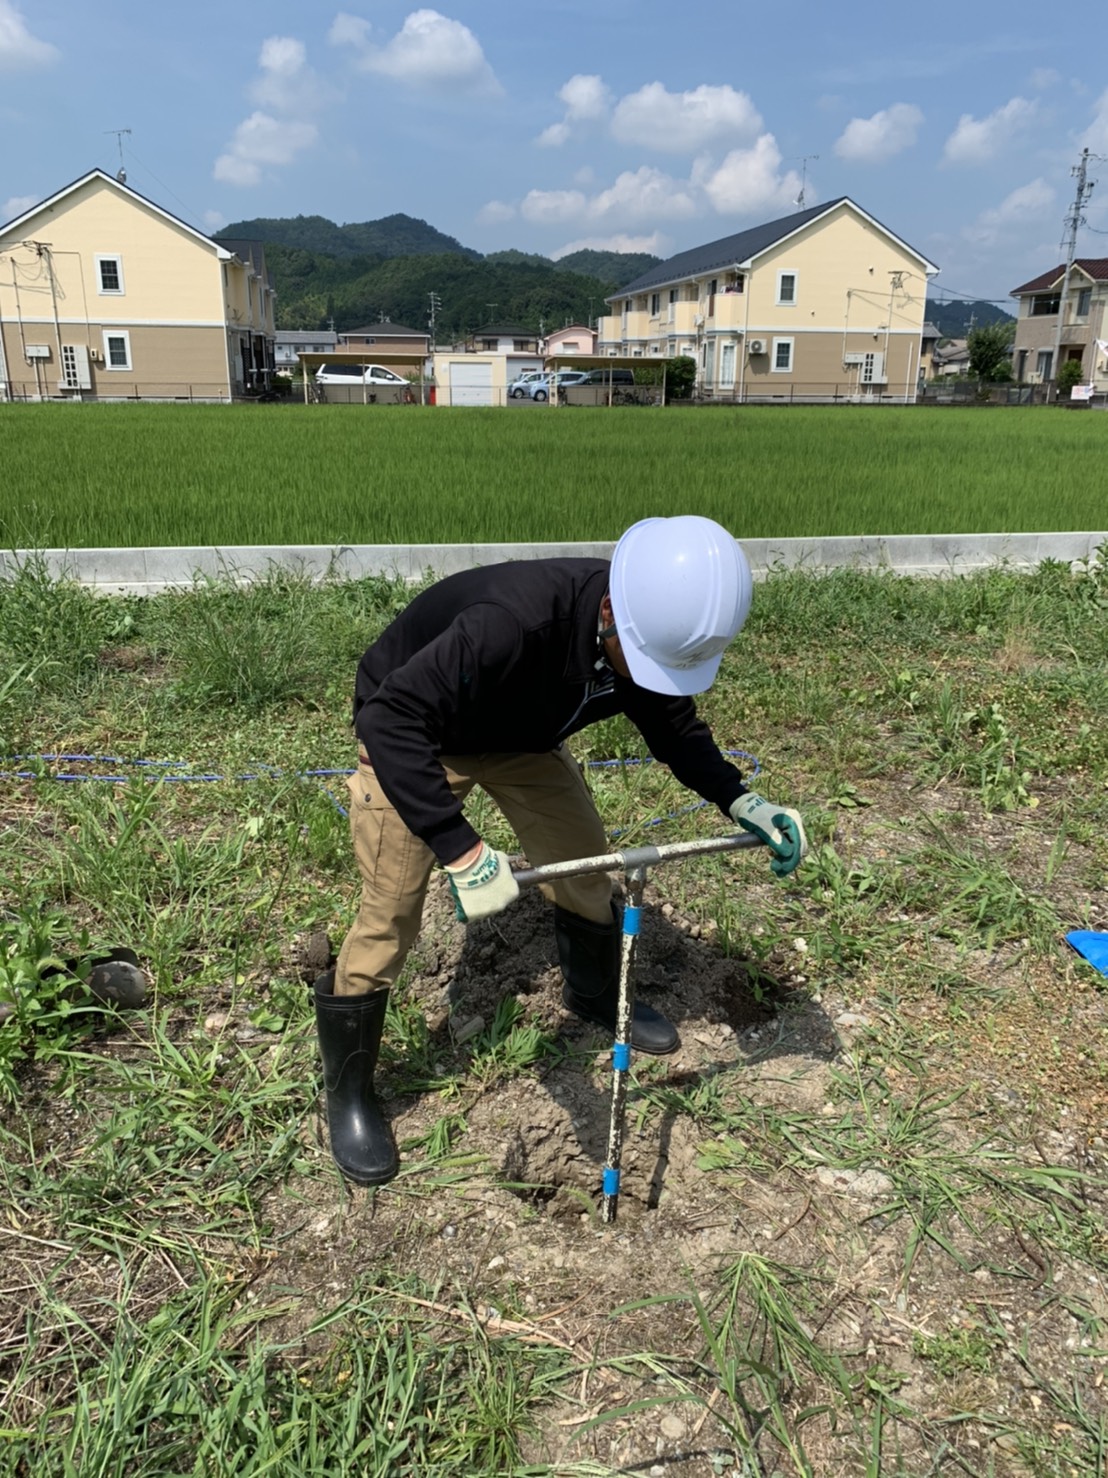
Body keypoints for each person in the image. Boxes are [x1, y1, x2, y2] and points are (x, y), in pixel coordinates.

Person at [313, 515, 807, 1186]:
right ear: (610, 613)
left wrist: (738, 797)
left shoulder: (641, 628)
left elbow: (671, 721)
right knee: (391, 912)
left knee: (586, 863)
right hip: (414, 732)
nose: (656, 680)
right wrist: (459, 849)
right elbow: (388, 718)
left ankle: (594, 993)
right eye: (650, 663)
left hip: (521, 736)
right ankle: (348, 1092)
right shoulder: (511, 625)